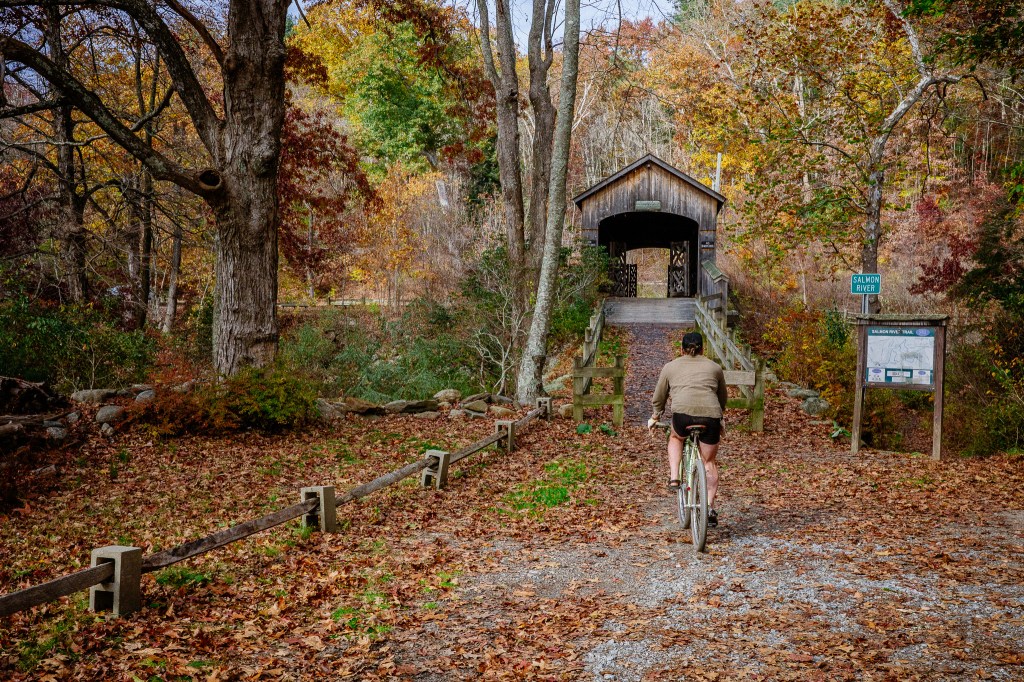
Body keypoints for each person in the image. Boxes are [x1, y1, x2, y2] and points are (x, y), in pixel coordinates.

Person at [648, 331, 727, 527]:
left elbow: (659, 397)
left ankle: (674, 477)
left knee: (676, 437)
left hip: (682, 416)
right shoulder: (715, 367)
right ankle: (709, 507)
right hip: (710, 417)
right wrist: (720, 417)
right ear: (703, 349)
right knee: (709, 462)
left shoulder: (670, 367)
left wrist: (655, 416)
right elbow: (722, 397)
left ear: (681, 349)